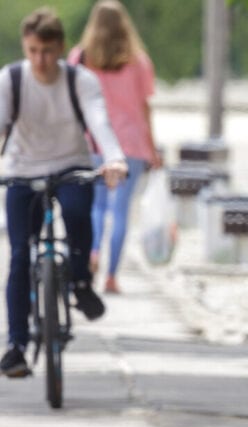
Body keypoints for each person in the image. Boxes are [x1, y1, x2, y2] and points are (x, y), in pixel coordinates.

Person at [1, 7, 127, 378]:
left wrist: (115, 160)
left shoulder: (80, 80)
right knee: (21, 254)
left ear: (60, 48)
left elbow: (99, 123)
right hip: (23, 169)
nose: (40, 60)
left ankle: (81, 281)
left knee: (76, 212)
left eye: (47, 51)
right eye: (33, 51)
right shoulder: (11, 79)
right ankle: (17, 346)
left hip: (71, 164)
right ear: (26, 48)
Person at [69, 0, 161, 295]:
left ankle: (93, 251)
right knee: (120, 210)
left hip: (92, 141)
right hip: (130, 144)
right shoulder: (138, 61)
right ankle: (111, 276)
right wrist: (153, 148)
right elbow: (145, 107)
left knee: (96, 206)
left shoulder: (80, 57)